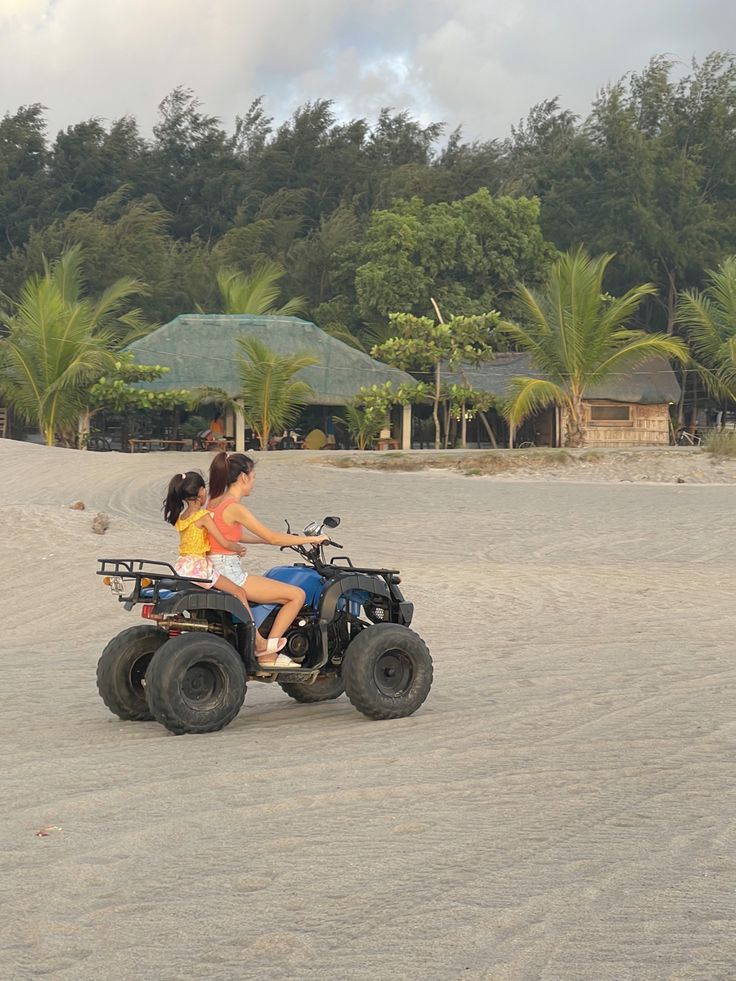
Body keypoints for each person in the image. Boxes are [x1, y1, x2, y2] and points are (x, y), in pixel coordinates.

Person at [207, 451, 329, 670]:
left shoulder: (214, 503)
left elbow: (232, 535)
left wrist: (262, 541)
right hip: (230, 574)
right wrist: (312, 538)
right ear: (243, 477)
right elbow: (271, 536)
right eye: (253, 477)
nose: (253, 483)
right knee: (296, 595)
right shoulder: (235, 507)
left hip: (213, 569)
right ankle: (267, 653)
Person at [162, 471, 286, 659]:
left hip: (183, 566)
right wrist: (238, 549)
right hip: (199, 568)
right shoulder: (203, 516)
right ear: (201, 492)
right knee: (239, 592)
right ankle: (259, 642)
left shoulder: (181, 517)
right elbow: (224, 542)